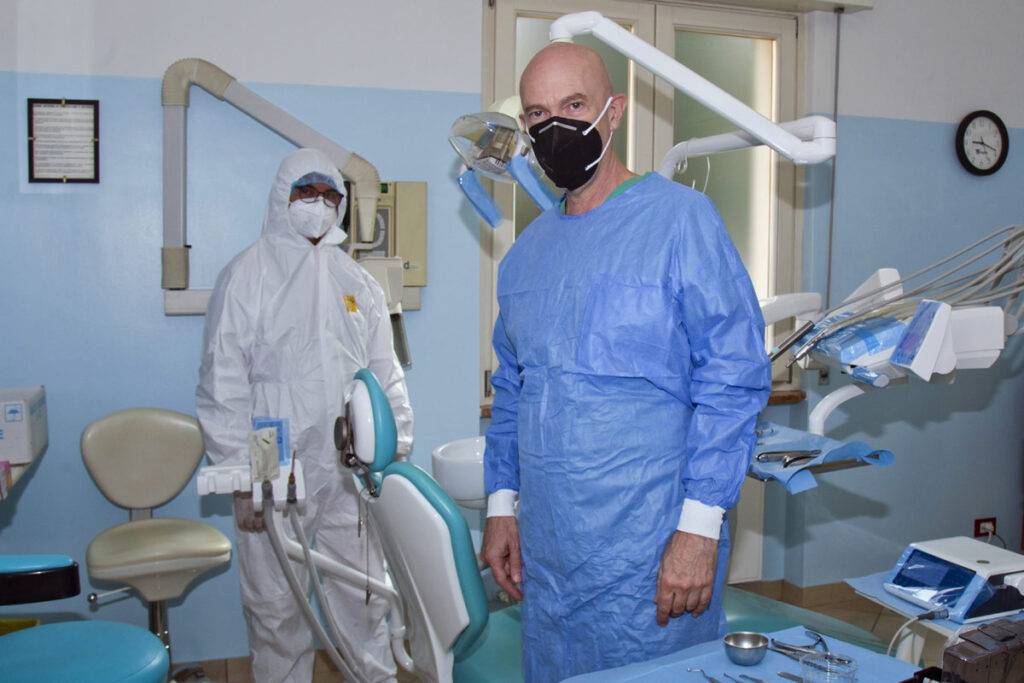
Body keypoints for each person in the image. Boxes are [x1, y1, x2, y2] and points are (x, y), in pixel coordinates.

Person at [480, 43, 772, 681]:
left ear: (613, 112)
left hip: (652, 548)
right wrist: (501, 506)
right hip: (551, 552)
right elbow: (512, 391)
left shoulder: (681, 222)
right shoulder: (526, 256)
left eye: (573, 105)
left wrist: (699, 528)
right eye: (537, 114)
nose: (554, 126)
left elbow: (733, 377)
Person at [196, 147, 413, 683]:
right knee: (276, 604)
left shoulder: (357, 282)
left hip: (350, 463)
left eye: (329, 195)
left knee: (365, 593)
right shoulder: (246, 275)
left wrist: (395, 450)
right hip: (271, 455)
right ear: (282, 197)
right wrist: (242, 477)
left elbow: (385, 375)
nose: (318, 204)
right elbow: (223, 382)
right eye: (306, 192)